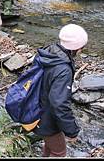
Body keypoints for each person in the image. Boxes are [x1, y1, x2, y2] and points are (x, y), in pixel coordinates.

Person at [33, 24, 87, 157]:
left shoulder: (49, 51)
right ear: (79, 48)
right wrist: (71, 131)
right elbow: (59, 104)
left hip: (34, 109)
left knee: (50, 144)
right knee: (59, 152)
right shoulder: (63, 69)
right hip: (46, 118)